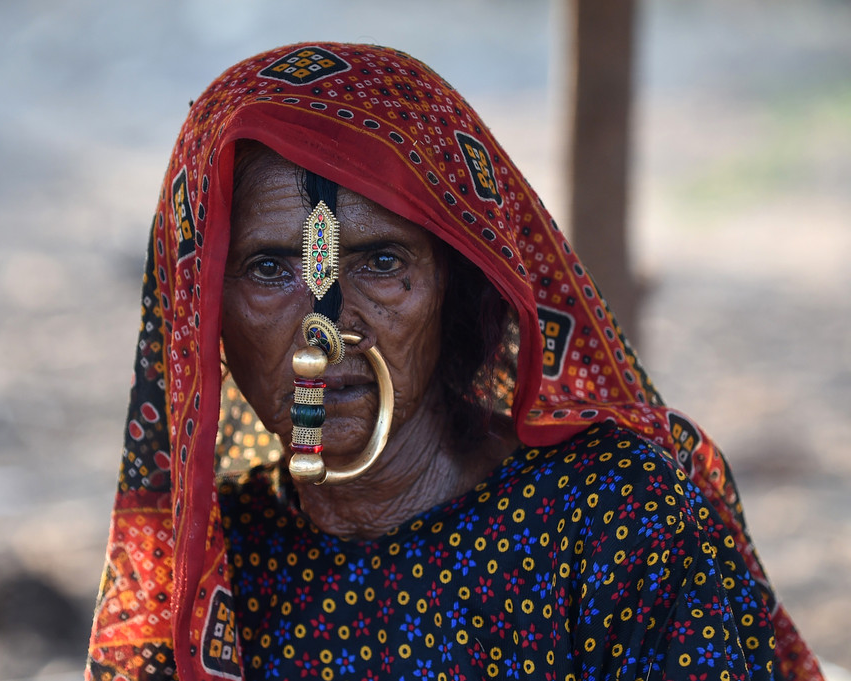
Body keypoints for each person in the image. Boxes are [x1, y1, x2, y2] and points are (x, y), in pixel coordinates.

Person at [86, 43, 822, 681]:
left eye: (380, 261)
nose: (327, 329)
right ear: (203, 318)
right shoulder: (214, 571)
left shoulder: (616, 519)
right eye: (270, 270)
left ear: (456, 284)